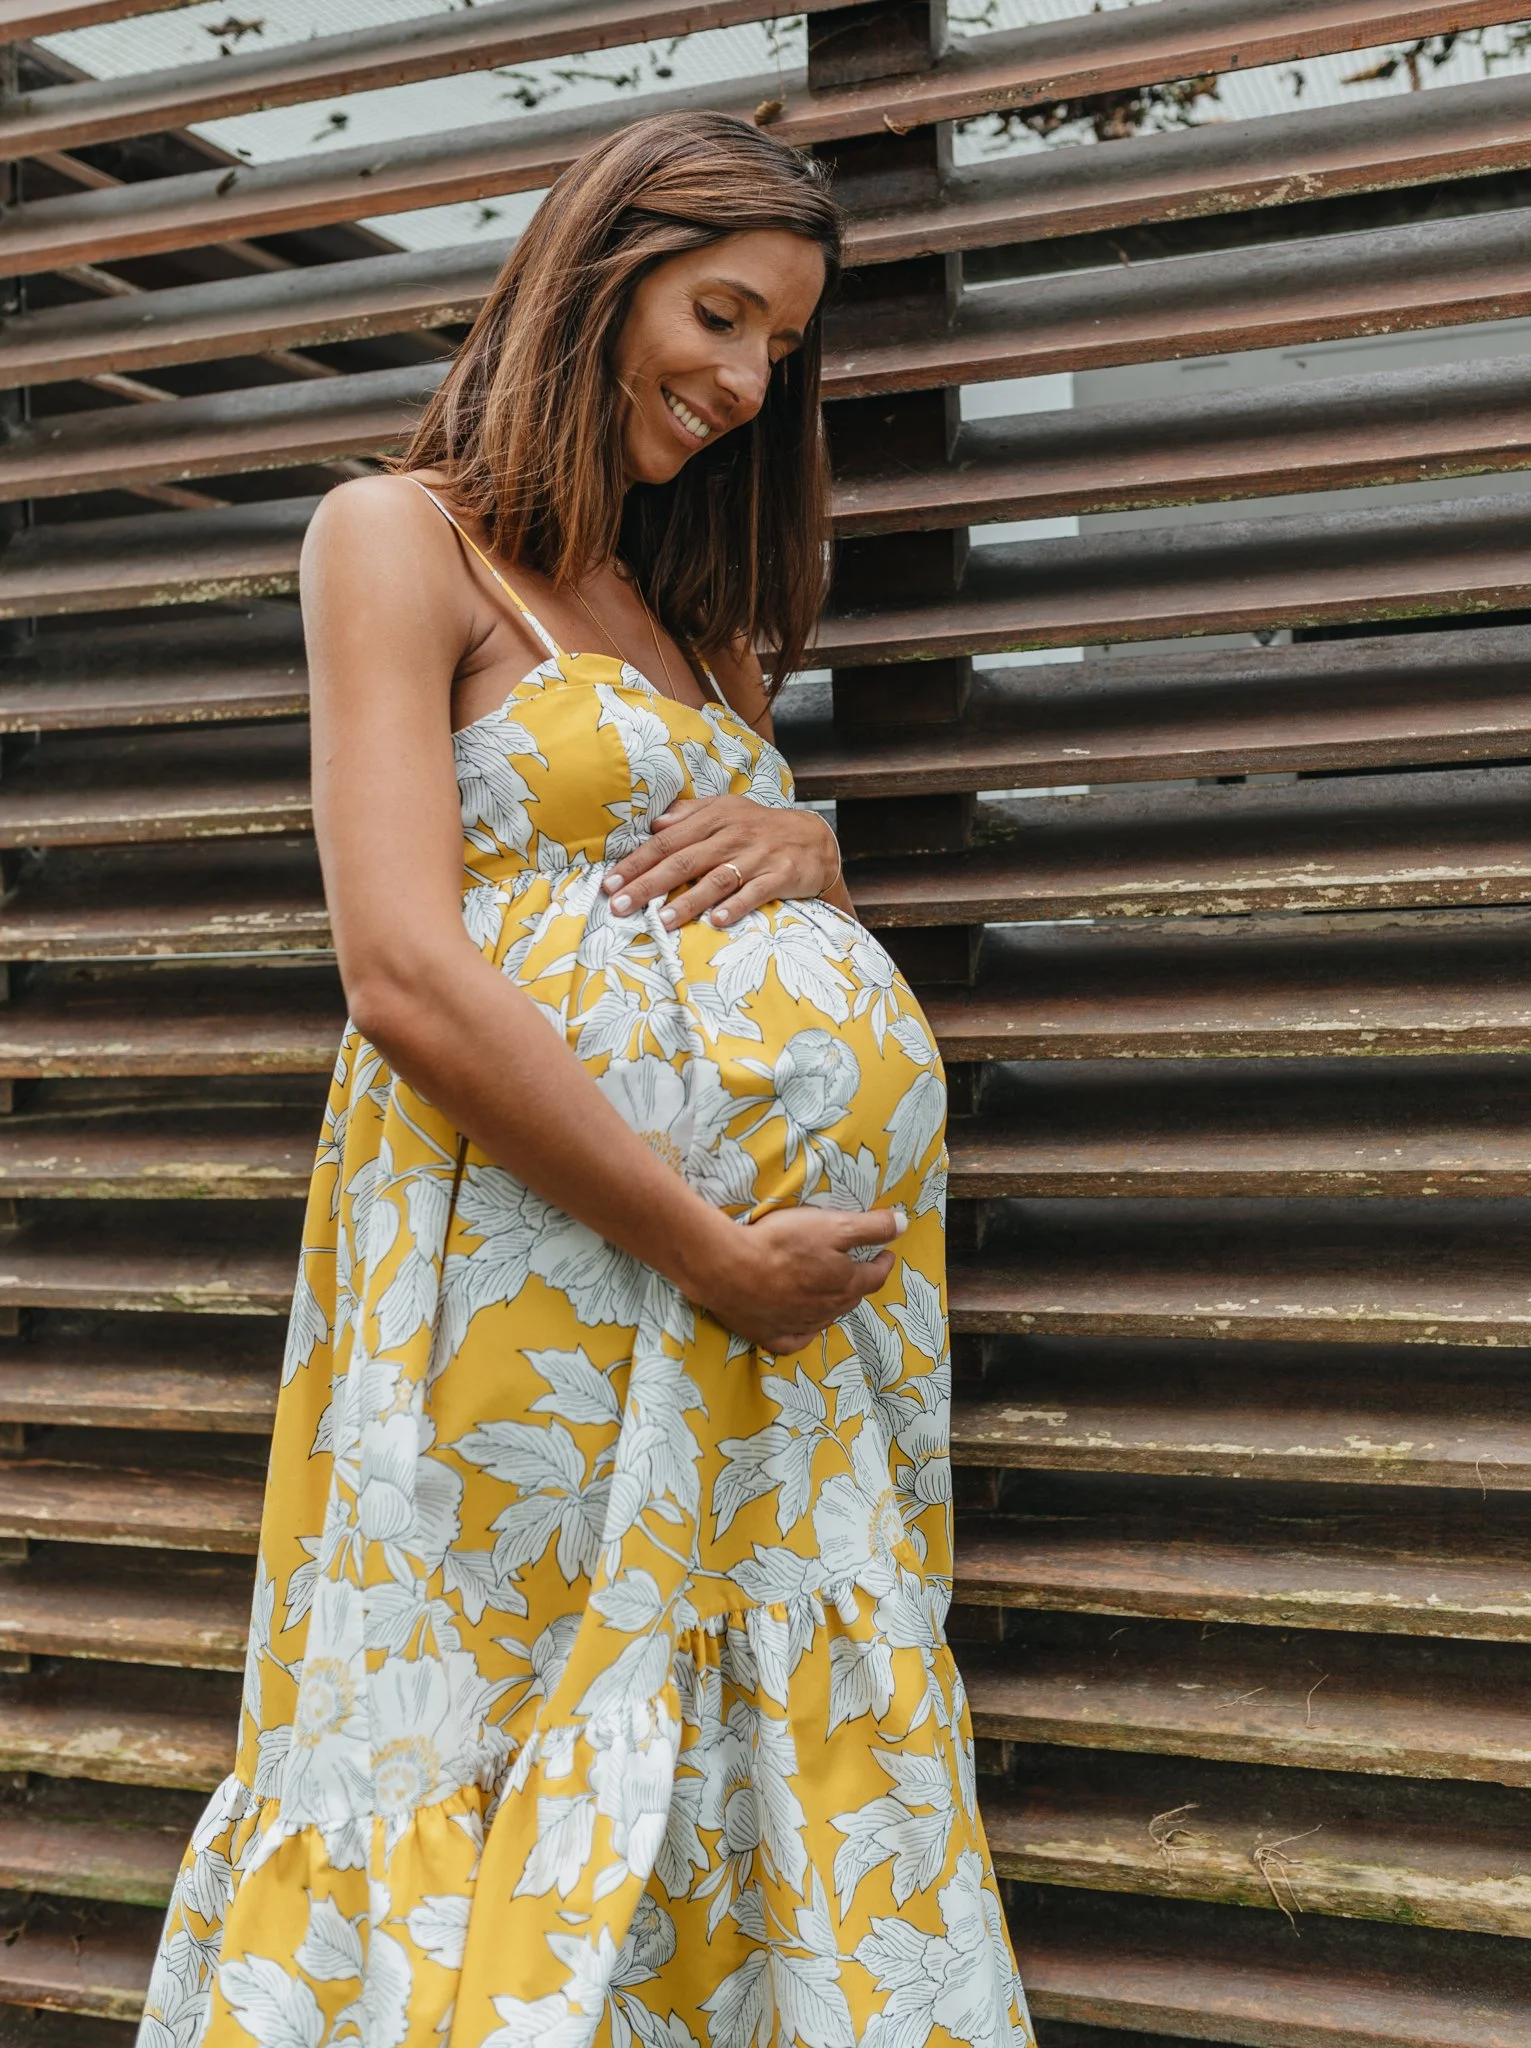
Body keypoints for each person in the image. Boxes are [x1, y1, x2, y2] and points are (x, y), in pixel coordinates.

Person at [140, 108, 1033, 2048]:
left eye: (781, 346)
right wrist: (707, 1244)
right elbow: (402, 970)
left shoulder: (698, 623)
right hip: (544, 1289)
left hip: (758, 1356)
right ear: (598, 271)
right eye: (720, 314)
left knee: (730, 1759)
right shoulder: (398, 539)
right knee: (506, 1725)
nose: (747, 382)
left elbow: (701, 899)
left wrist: (814, 849)